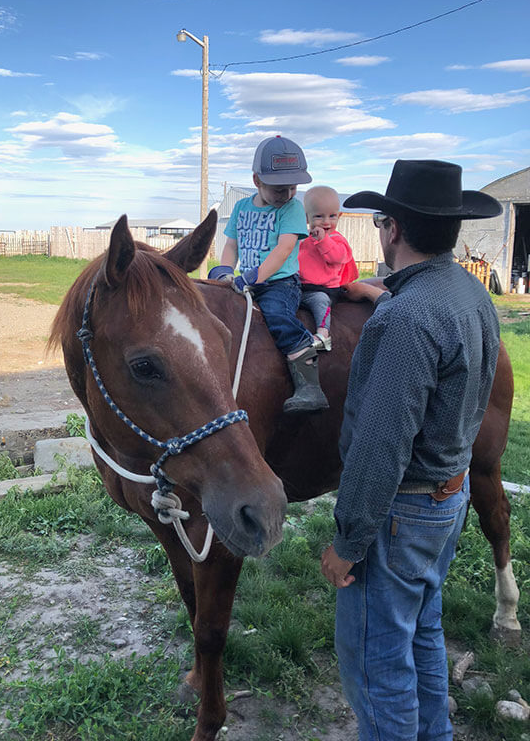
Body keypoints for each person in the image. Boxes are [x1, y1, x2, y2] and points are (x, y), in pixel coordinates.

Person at [319, 159, 502, 741]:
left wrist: (349, 543)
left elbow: (380, 447)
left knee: (376, 668)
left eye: (379, 221)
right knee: (422, 632)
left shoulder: (406, 319)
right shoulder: (470, 293)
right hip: (449, 497)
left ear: (392, 229)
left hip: (402, 513)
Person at [209, 135, 329, 413]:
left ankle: (310, 386)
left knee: (278, 317)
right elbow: (231, 244)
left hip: (279, 282)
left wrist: (256, 275)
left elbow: (284, 249)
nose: (285, 194)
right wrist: (226, 270)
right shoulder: (241, 208)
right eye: (277, 188)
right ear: (256, 181)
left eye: (291, 188)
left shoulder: (293, 209)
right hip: (248, 280)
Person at [298, 186, 359, 351]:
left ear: (339, 216)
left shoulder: (337, 240)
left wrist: (323, 240)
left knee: (321, 303)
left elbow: (337, 257)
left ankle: (323, 334)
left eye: (332, 216)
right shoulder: (303, 240)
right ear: (307, 218)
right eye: (319, 216)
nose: (326, 222)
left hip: (325, 289)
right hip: (301, 286)